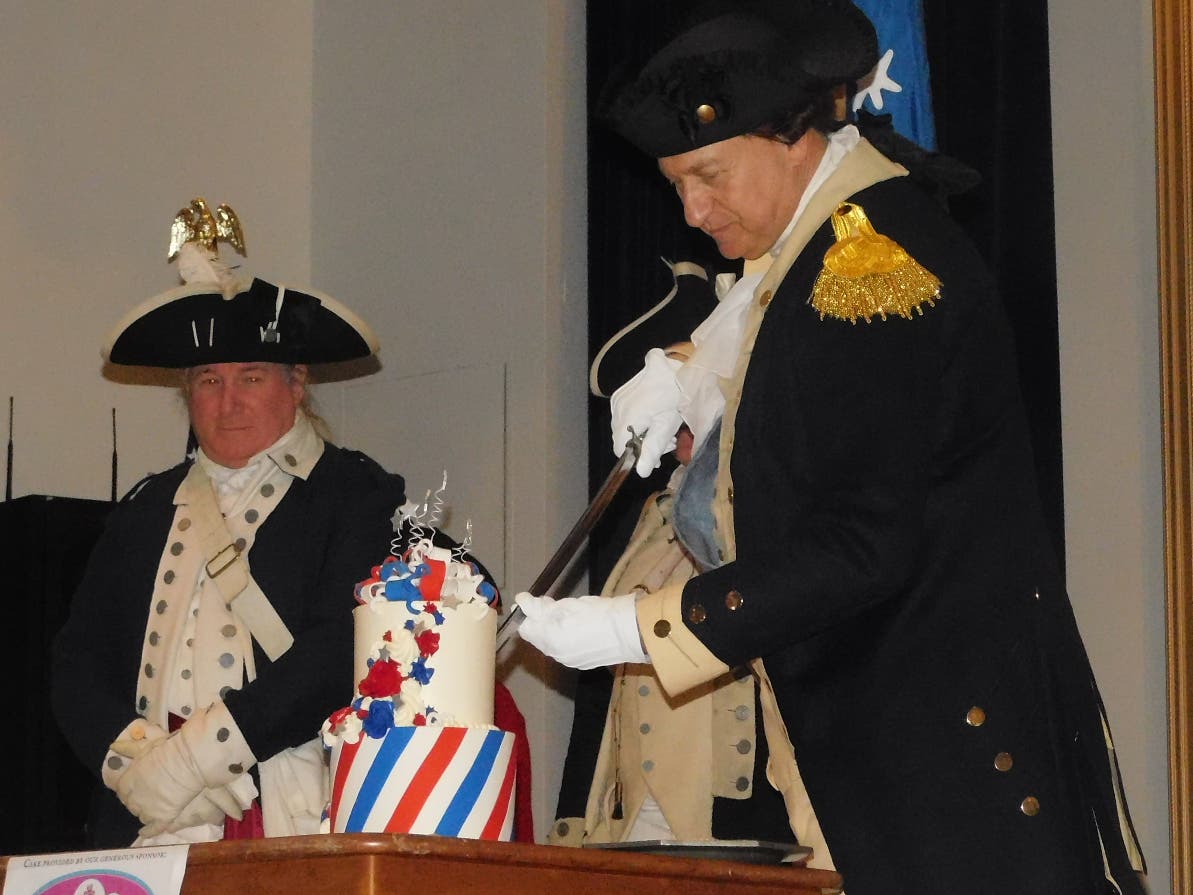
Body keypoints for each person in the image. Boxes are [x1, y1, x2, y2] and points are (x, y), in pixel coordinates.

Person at [516, 4, 1147, 893]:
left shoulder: (870, 266)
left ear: (793, 139)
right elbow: (767, 316)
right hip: (896, 759)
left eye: (708, 174)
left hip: (942, 780)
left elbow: (859, 545)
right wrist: (688, 368)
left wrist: (638, 626)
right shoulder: (836, 241)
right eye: (675, 185)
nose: (693, 211)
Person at [50, 199, 494, 847]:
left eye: (250, 376)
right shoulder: (145, 511)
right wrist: (139, 760)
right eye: (208, 380)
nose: (227, 403)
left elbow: (336, 648)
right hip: (147, 815)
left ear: (297, 382)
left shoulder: (354, 495)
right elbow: (77, 661)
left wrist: (197, 754)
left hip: (284, 813)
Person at [551, 263, 808, 854]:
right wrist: (572, 815)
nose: (673, 435)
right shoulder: (648, 516)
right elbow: (600, 687)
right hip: (631, 825)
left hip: (737, 826)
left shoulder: (774, 508)